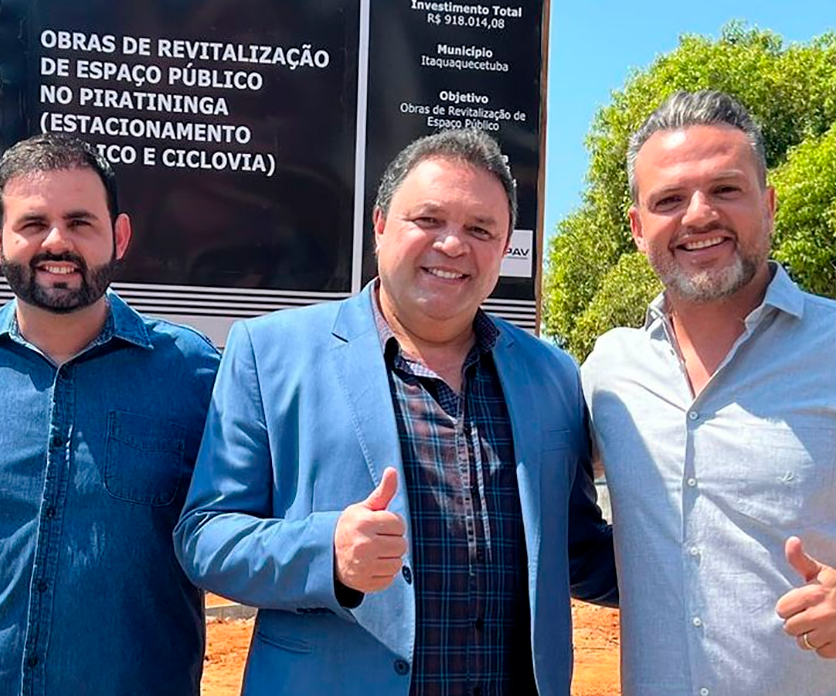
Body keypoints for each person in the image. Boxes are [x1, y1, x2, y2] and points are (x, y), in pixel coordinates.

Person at [174, 129, 616, 696]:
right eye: (428, 220)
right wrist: (325, 551)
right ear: (380, 224)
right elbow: (206, 536)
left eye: (480, 229)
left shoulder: (552, 376)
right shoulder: (270, 354)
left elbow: (574, 551)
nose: (453, 245)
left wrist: (711, 560)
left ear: (504, 248)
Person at [581, 90, 836, 696]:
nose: (697, 215)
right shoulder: (610, 371)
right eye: (668, 200)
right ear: (638, 229)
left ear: (767, 204)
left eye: (725, 190)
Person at [0, 134, 220, 695]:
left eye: (80, 223)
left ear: (118, 237)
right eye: (32, 224)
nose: (56, 242)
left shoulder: (192, 373)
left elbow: (250, 523)